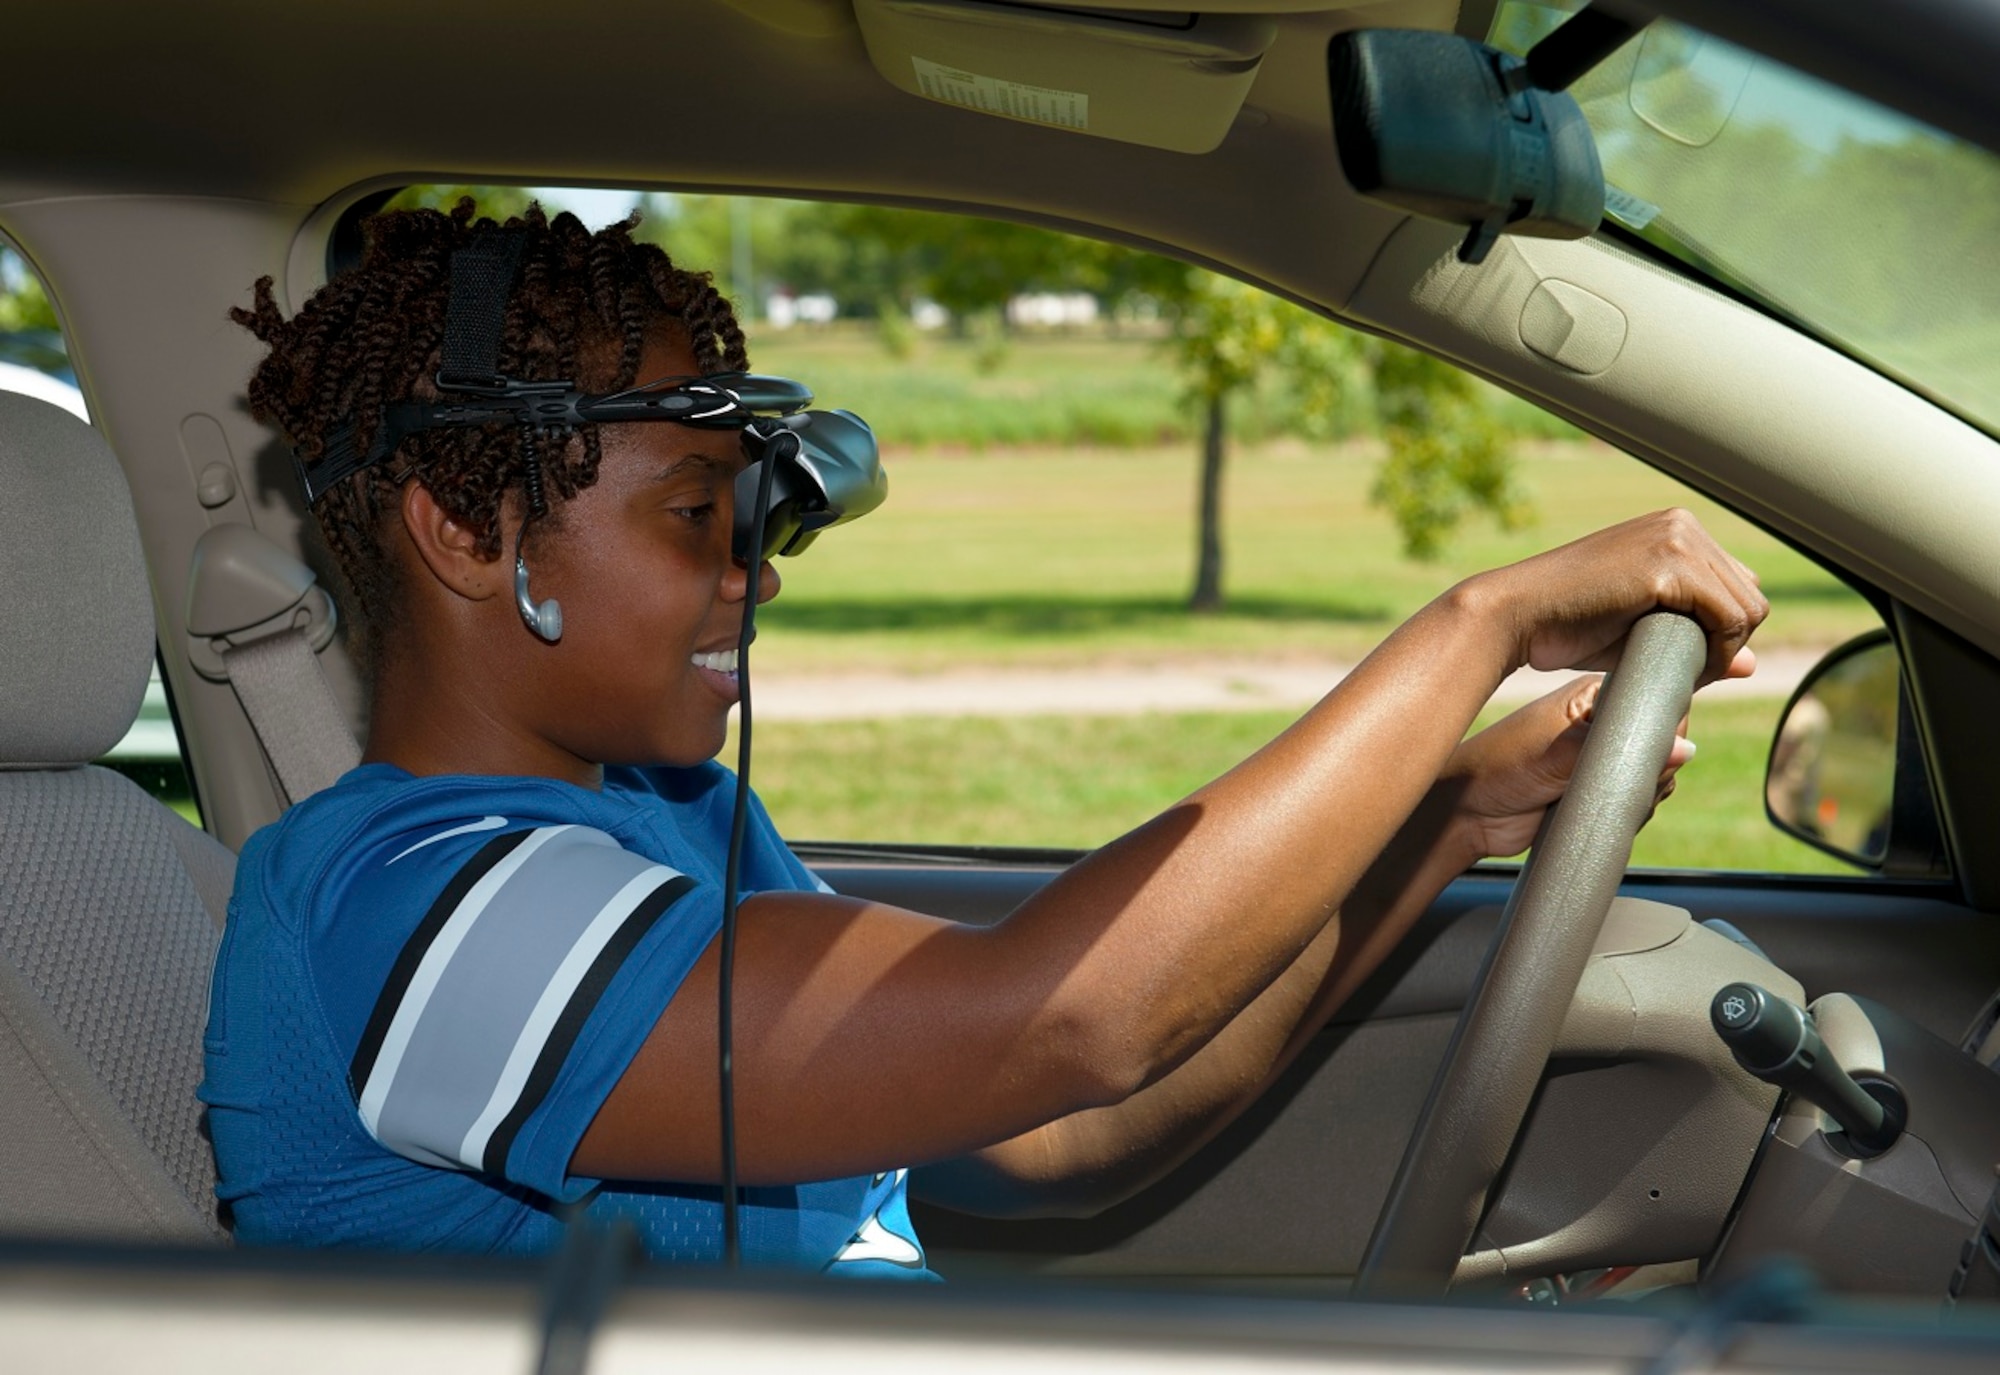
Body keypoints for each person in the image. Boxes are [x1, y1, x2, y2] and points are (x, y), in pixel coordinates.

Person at [200, 202, 1766, 1276]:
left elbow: (1065, 1124)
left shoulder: (667, 822)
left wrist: (1451, 812)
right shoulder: (417, 912)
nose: (753, 576)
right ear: (469, 533)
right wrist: (1472, 628)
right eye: (700, 517)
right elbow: (1067, 1021)